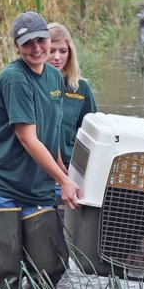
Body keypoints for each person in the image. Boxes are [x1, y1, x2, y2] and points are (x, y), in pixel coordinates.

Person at [0, 10, 82, 289]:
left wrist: (65, 180)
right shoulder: (14, 78)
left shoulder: (56, 78)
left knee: (53, 264)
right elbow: (28, 139)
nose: (36, 48)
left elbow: (52, 137)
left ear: (50, 38)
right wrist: (62, 180)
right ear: (17, 47)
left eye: (40, 40)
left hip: (36, 187)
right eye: (27, 43)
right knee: (5, 273)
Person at [47, 22, 97, 182]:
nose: (57, 57)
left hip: (69, 171)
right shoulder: (32, 85)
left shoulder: (81, 88)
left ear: (70, 53)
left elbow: (91, 134)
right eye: (51, 51)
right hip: (36, 169)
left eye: (63, 51)